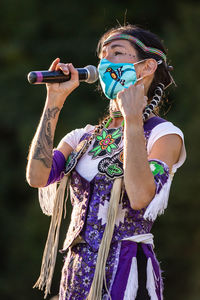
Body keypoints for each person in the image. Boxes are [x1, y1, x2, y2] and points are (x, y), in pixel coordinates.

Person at [26, 24, 186, 300]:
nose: (103, 62)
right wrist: (54, 100)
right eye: (102, 55)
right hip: (75, 274)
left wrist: (133, 119)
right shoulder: (82, 137)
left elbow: (139, 197)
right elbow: (37, 177)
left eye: (116, 52)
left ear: (146, 67)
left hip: (126, 274)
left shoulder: (163, 135)